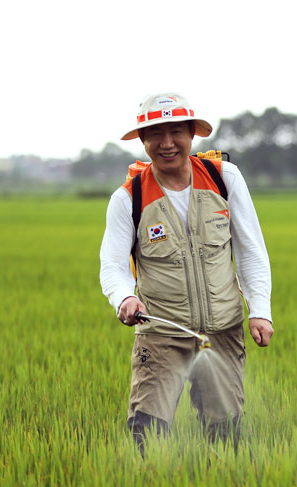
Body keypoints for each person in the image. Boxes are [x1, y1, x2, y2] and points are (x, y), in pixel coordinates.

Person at [99, 92, 273, 453]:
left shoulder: (223, 178)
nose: (166, 143)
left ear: (192, 134)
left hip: (223, 330)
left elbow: (250, 248)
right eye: (155, 134)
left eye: (176, 131)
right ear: (142, 140)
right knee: (147, 433)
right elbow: (113, 265)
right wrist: (125, 297)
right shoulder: (128, 198)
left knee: (224, 434)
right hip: (162, 333)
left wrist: (260, 311)